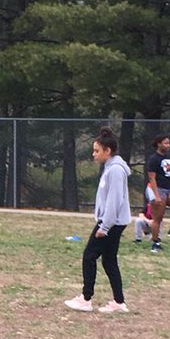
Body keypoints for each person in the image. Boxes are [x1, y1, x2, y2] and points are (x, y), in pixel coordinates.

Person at [65, 128, 131, 313]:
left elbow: (114, 201)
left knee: (89, 256)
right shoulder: (110, 167)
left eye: (96, 151)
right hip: (112, 222)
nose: (93, 154)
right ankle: (119, 302)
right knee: (109, 261)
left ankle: (85, 299)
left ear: (107, 151)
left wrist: (105, 226)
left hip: (111, 223)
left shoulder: (115, 170)